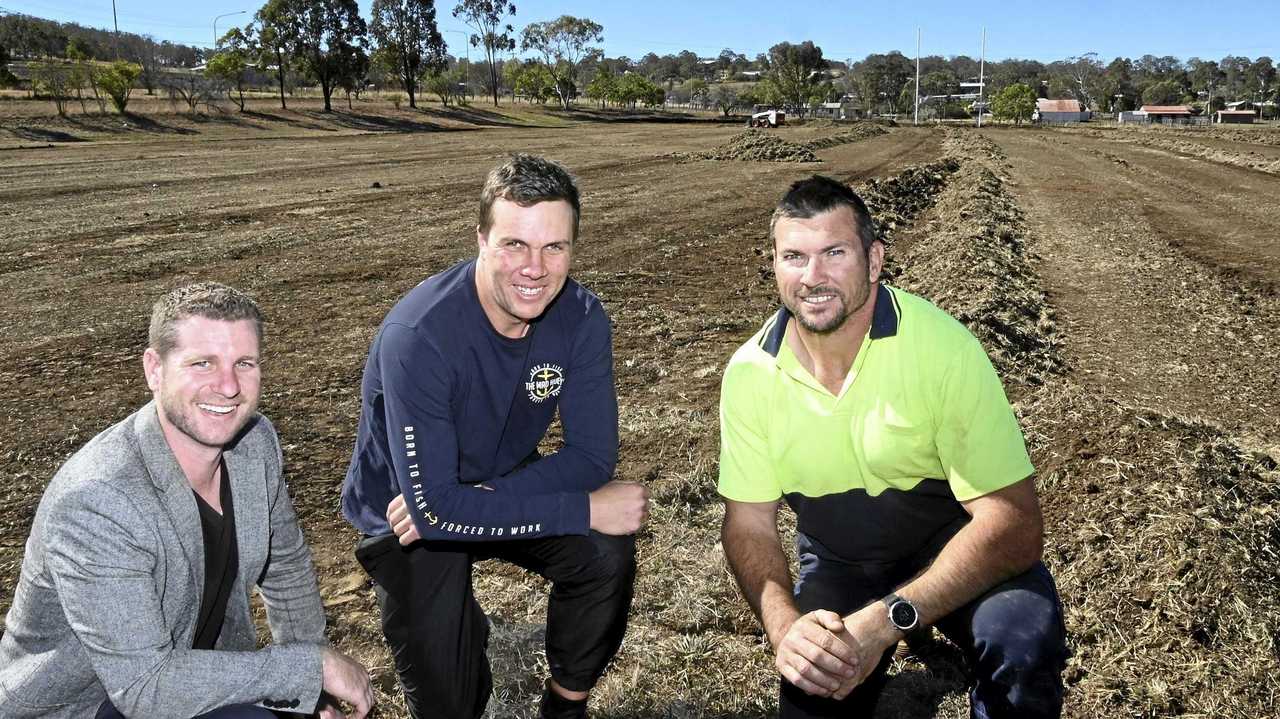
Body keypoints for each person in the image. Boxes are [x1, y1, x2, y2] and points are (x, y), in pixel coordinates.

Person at [717, 176, 1067, 718]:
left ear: (874, 260)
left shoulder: (943, 349)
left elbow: (1014, 524)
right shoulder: (749, 374)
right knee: (811, 692)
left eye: (834, 253)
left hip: (954, 545)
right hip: (841, 558)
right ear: (775, 265)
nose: (813, 277)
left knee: (1020, 647)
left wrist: (886, 622)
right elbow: (749, 524)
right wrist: (787, 630)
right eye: (794, 256)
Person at [341, 154, 649, 719]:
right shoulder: (420, 336)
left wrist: (490, 499)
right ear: (480, 239)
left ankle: (564, 705)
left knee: (606, 552)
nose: (535, 268)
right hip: (404, 510)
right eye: (514, 245)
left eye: (554, 247)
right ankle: (454, 624)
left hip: (496, 481)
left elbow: (592, 456)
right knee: (452, 703)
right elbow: (430, 513)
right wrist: (580, 509)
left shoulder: (580, 316)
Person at [0, 283, 373, 719]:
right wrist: (306, 670)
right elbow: (145, 688)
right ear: (154, 369)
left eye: (244, 364)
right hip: (89, 704)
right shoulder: (99, 501)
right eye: (203, 363)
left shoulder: (255, 444)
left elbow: (285, 563)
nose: (229, 387)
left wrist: (311, 694)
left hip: (184, 679)